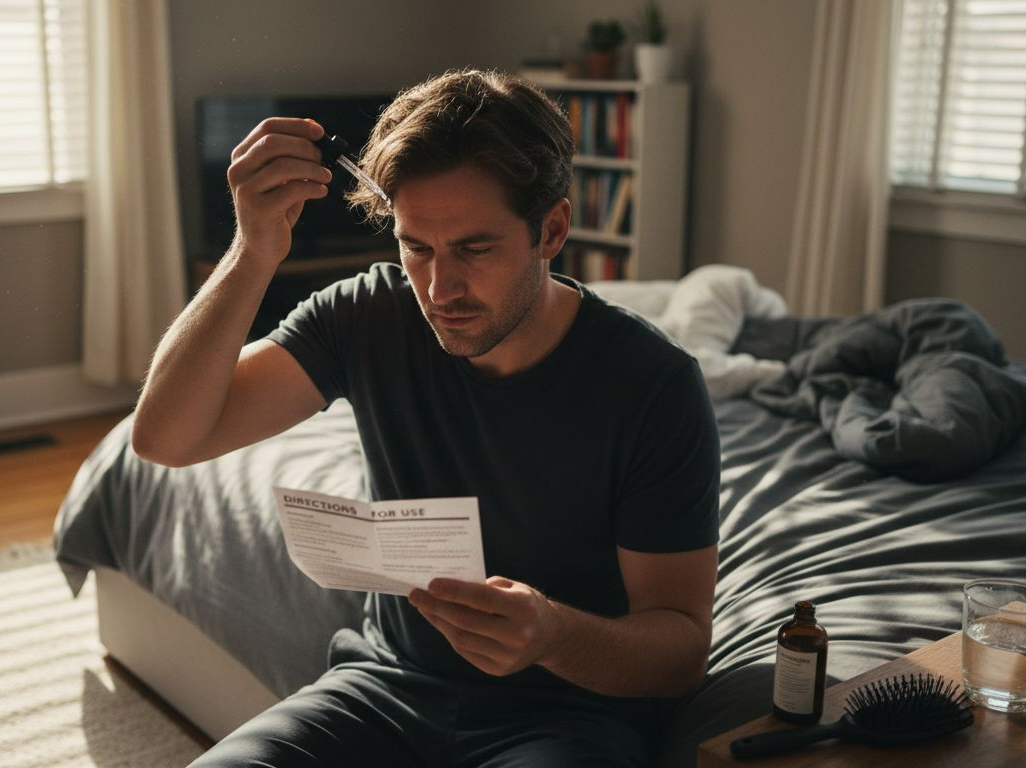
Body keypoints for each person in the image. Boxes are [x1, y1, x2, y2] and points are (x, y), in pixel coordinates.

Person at [132, 69, 720, 767]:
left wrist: (553, 634)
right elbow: (165, 438)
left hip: (566, 717)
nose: (440, 290)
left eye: (475, 248)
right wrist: (253, 251)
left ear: (551, 229)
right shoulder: (367, 314)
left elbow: (680, 651)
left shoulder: (653, 385)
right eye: (416, 247)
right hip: (381, 689)